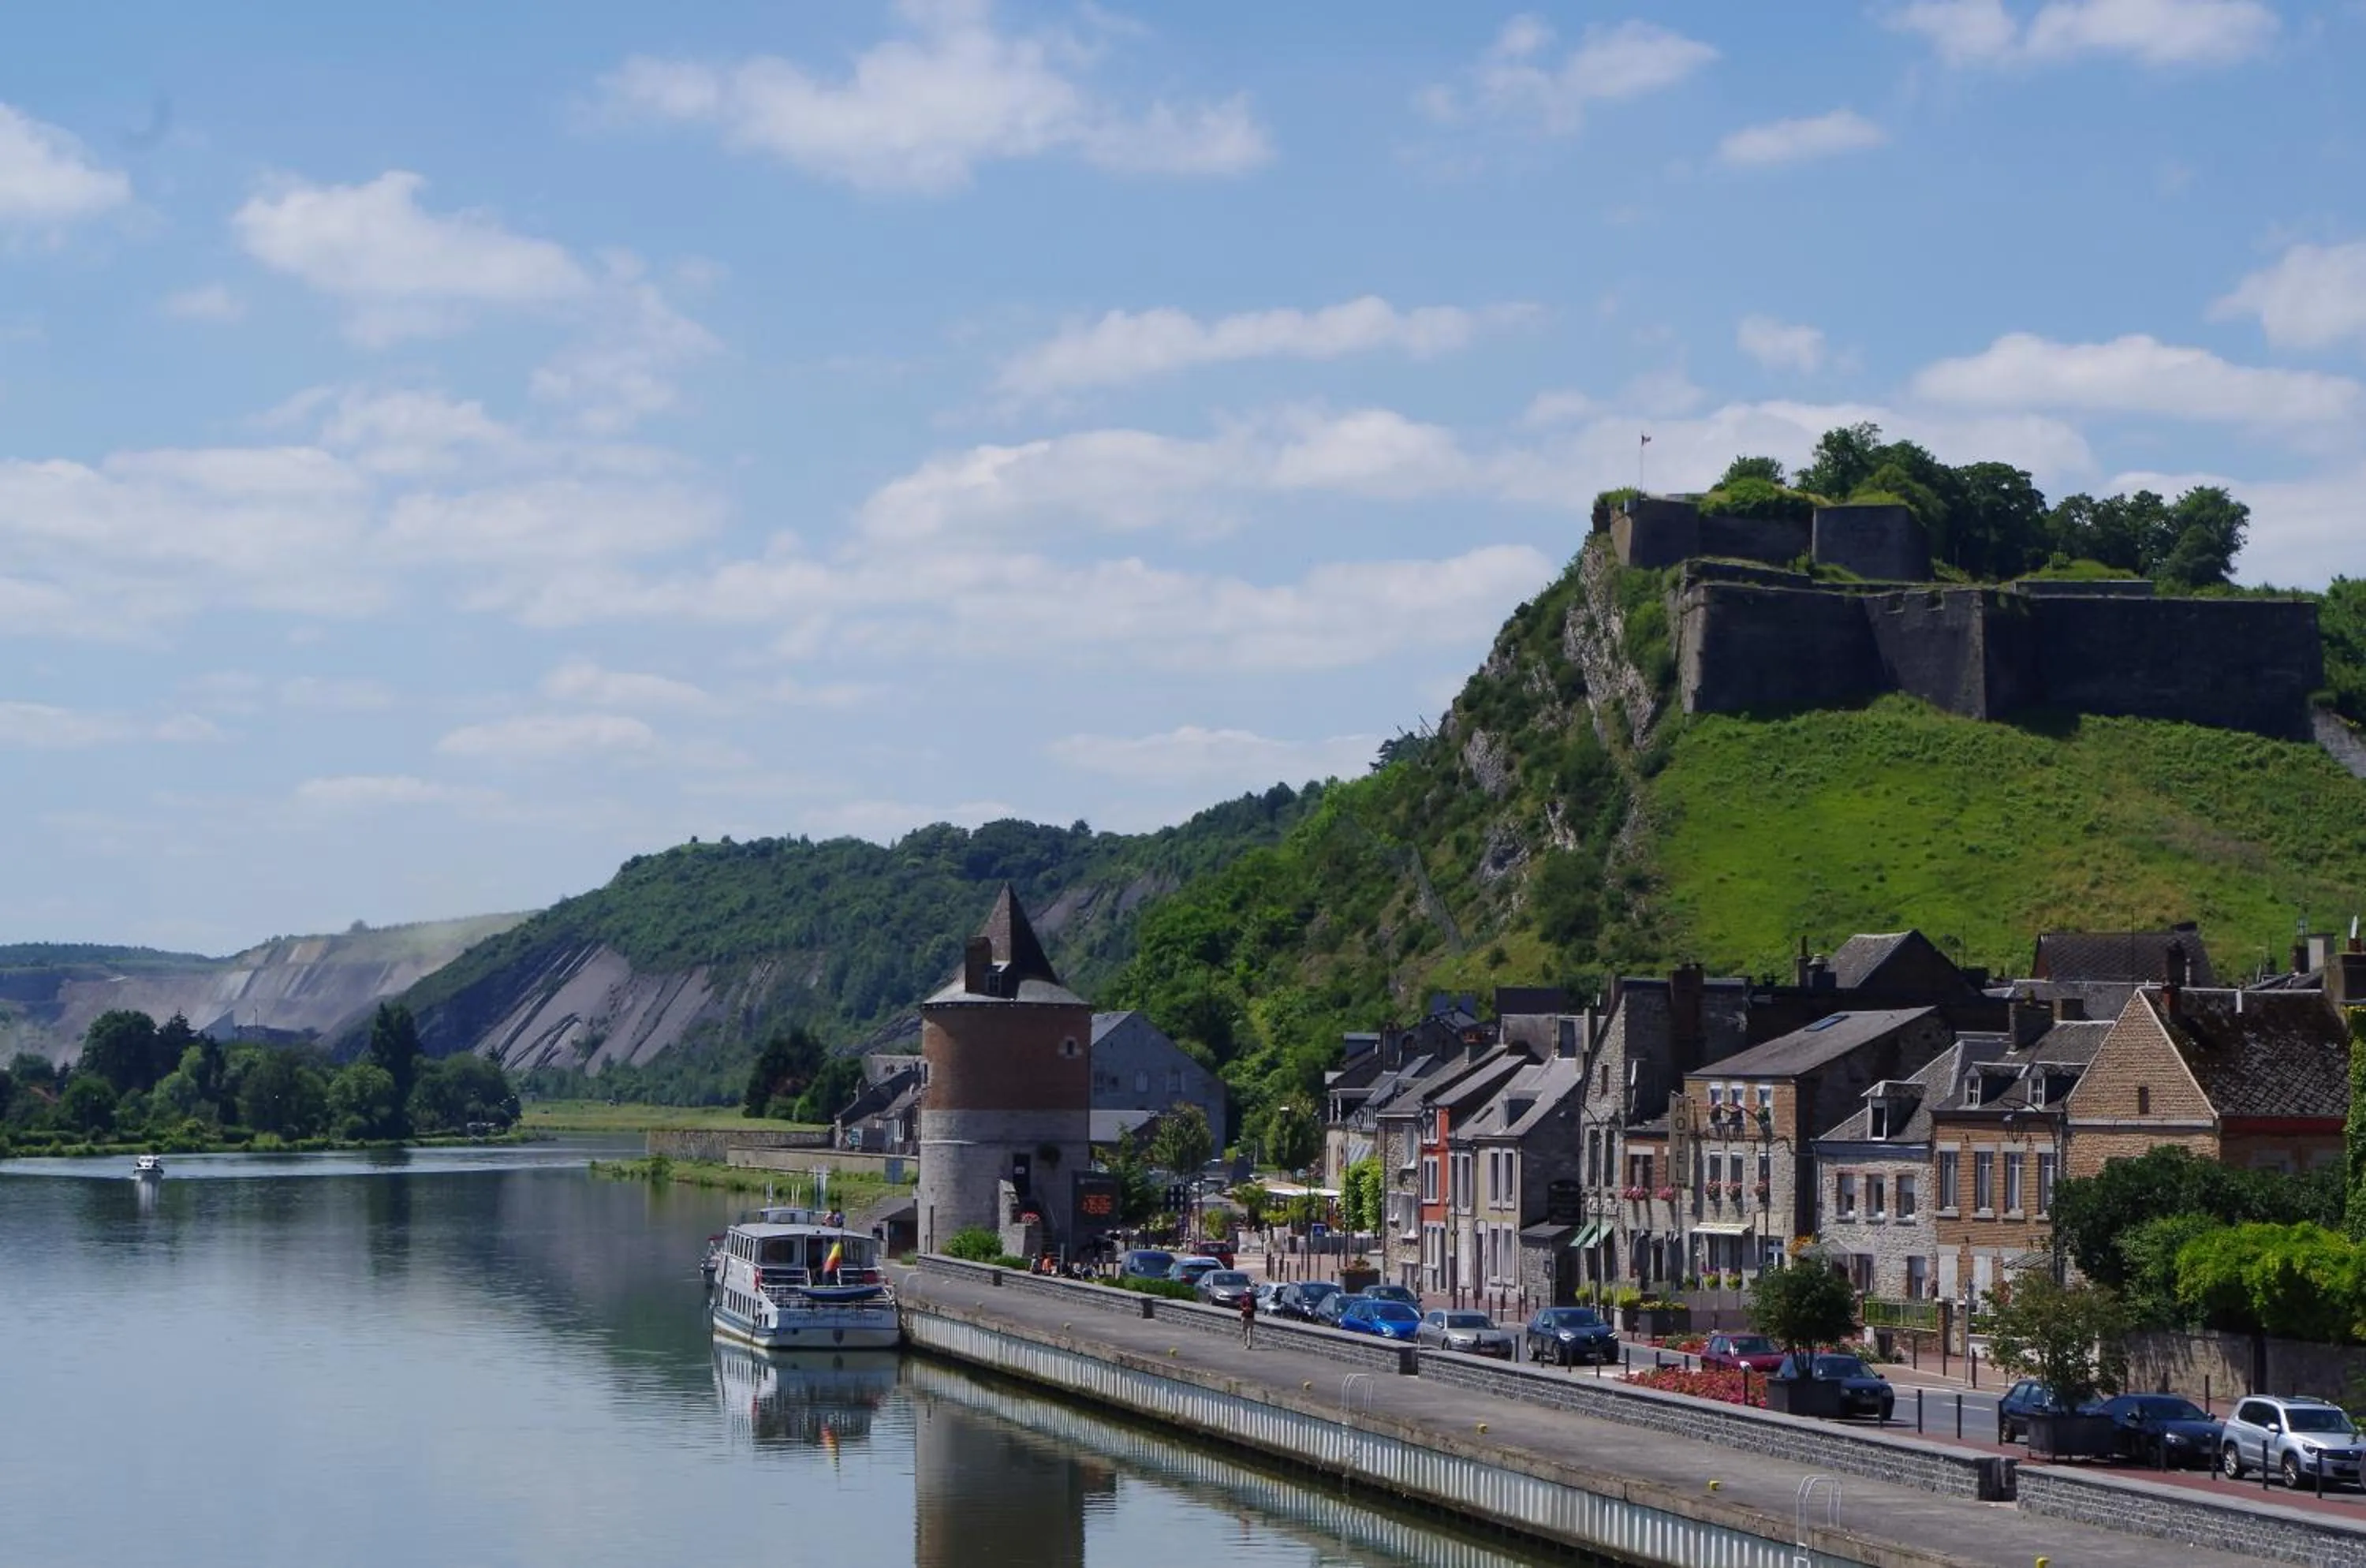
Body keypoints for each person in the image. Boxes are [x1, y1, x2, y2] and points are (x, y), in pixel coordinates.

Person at [1237, 1283, 1257, 1348]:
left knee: (1246, 1331)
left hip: (1246, 1316)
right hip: (1249, 1316)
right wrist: (1248, 1309)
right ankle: (1248, 1344)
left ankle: (1247, 1344)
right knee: (1248, 1331)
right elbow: (1256, 1308)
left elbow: (1240, 1307)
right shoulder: (1252, 1298)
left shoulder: (1244, 1298)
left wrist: (1245, 1309)